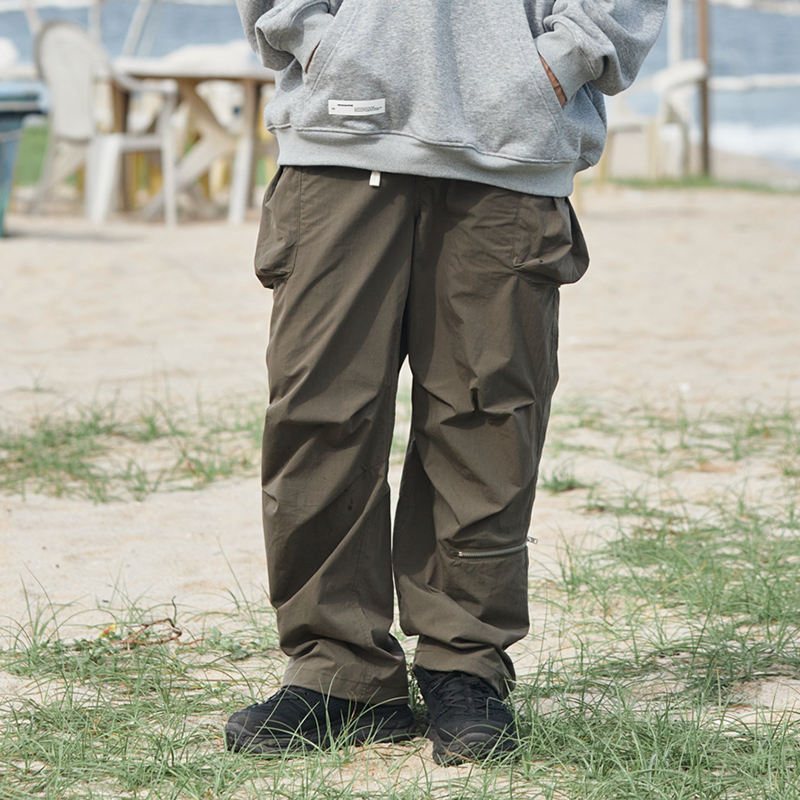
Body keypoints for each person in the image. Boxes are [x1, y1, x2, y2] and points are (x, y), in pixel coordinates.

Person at [226, 0, 667, 766]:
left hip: (511, 147)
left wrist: (561, 61)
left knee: (486, 423)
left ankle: (464, 665)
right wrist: (316, 37)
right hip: (340, 133)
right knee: (318, 413)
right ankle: (336, 672)